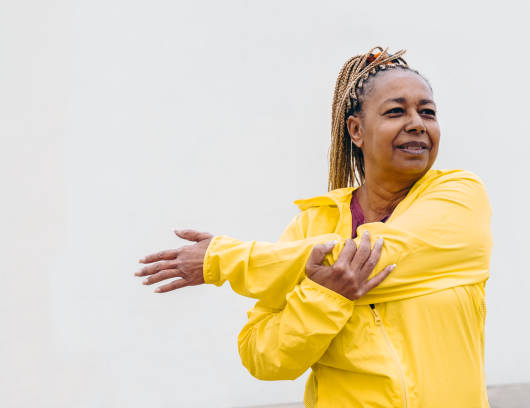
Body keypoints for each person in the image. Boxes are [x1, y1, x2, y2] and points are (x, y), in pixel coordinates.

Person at [136, 46, 493, 407]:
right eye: (396, 111)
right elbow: (263, 355)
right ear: (356, 130)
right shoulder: (312, 224)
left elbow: (378, 255)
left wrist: (222, 259)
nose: (417, 123)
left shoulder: (460, 197)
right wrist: (324, 298)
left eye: (427, 112)